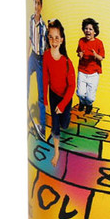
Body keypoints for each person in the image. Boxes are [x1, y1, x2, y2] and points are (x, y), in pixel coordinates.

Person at [43, 19, 76, 167]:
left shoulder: (67, 62)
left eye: (57, 37)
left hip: (66, 97)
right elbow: (45, 78)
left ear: (62, 39)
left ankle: (66, 116)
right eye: (51, 37)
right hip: (53, 94)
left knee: (65, 124)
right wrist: (45, 101)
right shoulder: (46, 56)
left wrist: (63, 105)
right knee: (55, 125)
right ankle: (56, 152)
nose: (54, 41)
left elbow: (72, 87)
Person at [28, 0, 48, 138]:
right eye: (34, 2)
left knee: (42, 95)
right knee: (25, 79)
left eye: (38, 3)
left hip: (41, 60)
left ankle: (43, 127)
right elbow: (30, 38)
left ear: (41, 6)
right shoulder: (30, 20)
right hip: (32, 57)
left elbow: (47, 47)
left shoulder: (43, 27)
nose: (36, 6)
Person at [76, 18, 105, 116]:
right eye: (86, 29)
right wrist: (80, 55)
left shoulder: (99, 43)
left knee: (90, 97)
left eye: (90, 29)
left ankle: (88, 104)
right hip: (82, 71)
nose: (87, 31)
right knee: (80, 93)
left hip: (93, 73)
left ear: (95, 32)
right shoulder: (81, 41)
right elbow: (79, 52)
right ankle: (82, 102)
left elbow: (101, 58)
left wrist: (95, 55)